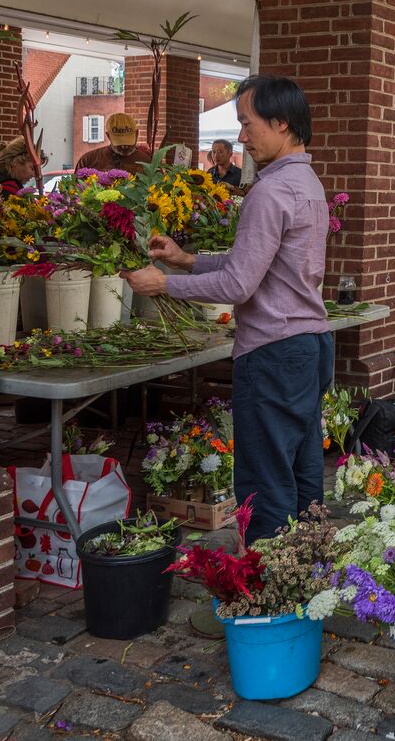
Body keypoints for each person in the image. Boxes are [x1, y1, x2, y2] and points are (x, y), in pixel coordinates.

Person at [122, 75, 333, 544]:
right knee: (302, 472)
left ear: (281, 123)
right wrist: (187, 259)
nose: (240, 136)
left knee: (264, 480)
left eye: (247, 123)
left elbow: (239, 283)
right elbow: (256, 264)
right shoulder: (307, 183)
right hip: (309, 345)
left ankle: (266, 593)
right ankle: (306, 576)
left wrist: (164, 284)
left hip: (273, 353)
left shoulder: (268, 192)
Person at [75, 113, 152, 174]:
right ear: (108, 136)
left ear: (137, 134)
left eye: (128, 142)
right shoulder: (88, 160)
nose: (124, 146)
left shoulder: (146, 161)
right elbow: (74, 189)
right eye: (119, 142)